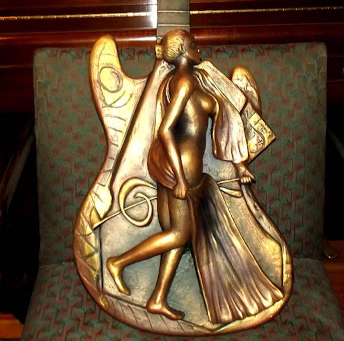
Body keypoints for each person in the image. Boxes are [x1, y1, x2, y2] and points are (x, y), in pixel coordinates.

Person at [107, 29, 282, 323]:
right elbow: (165, 130)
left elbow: (221, 123)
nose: (199, 49)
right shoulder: (185, 81)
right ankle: (118, 262)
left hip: (167, 165)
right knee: (180, 234)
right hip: (181, 169)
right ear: (184, 51)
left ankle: (158, 298)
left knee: (175, 234)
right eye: (194, 45)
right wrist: (179, 178)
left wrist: (239, 164)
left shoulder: (185, 81)